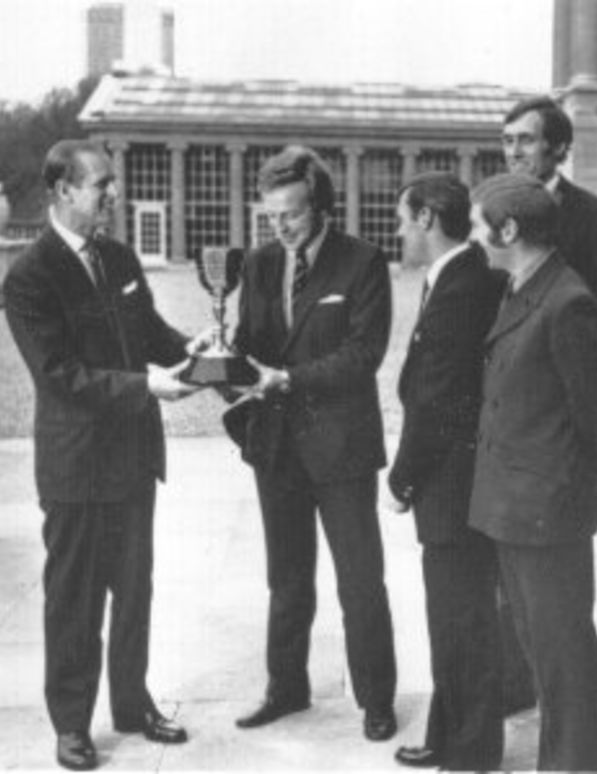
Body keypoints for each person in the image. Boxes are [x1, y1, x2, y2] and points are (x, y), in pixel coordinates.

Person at [3, 140, 197, 771]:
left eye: (111, 184)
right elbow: (60, 375)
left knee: (134, 591)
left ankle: (132, 704)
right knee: (75, 600)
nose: (114, 194)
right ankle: (71, 724)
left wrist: (198, 351)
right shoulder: (28, 277)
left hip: (133, 459)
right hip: (78, 468)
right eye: (101, 185)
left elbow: (148, 332)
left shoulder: (117, 255)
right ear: (63, 191)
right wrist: (147, 386)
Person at [230, 145, 398, 741]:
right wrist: (219, 357)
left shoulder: (364, 262)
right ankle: (286, 686)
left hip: (342, 448)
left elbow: (364, 354)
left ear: (321, 207)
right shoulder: (258, 263)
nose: (280, 227)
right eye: (270, 216)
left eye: (292, 216)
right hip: (277, 449)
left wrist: (290, 379)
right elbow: (251, 341)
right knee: (287, 578)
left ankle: (377, 699)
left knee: (360, 579)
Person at [466, 173, 597, 771]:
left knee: (564, 657)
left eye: (481, 227)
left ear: (509, 230)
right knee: (540, 650)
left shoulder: (567, 300)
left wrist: (574, 492)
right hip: (515, 502)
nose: (475, 239)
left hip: (544, 509)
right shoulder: (524, 285)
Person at [386, 173, 505, 770]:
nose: (402, 229)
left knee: (461, 621)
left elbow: (434, 399)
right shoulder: (465, 276)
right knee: (457, 618)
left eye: (406, 218)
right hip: (463, 480)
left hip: (452, 485)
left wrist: (402, 477)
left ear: (429, 218)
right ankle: (450, 733)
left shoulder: (459, 288)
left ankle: (471, 753)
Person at [503, 95, 597, 296]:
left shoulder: (595, 214)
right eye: (508, 141)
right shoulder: (491, 208)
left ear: (559, 147)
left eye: (526, 140)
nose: (514, 152)